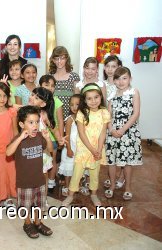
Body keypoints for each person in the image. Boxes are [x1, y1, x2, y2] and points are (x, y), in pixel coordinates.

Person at [6, 105, 53, 238]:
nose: (35, 126)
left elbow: (50, 149)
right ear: (22, 124)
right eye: (31, 122)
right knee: (25, 206)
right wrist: (20, 138)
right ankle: (27, 223)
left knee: (39, 204)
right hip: (24, 181)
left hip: (39, 179)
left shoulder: (39, 136)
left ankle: (38, 223)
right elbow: (8, 152)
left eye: (37, 122)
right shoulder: (18, 139)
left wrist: (48, 138)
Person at [62, 83, 110, 207]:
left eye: (96, 97)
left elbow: (103, 132)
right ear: (84, 100)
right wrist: (91, 149)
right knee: (77, 173)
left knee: (95, 173)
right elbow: (82, 133)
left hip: (98, 149)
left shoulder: (104, 112)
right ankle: (71, 195)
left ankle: (93, 193)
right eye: (89, 98)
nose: (93, 101)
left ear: (101, 97)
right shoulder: (82, 113)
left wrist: (98, 149)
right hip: (84, 149)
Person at [105, 67, 142, 201]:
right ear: (114, 81)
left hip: (128, 132)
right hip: (113, 132)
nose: (121, 82)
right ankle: (113, 186)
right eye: (118, 79)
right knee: (112, 161)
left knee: (127, 162)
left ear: (130, 79)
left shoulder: (134, 92)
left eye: (124, 78)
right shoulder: (112, 95)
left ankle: (128, 188)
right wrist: (110, 129)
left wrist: (122, 130)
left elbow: (136, 113)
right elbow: (108, 115)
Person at [38, 75, 64, 191]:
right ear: (40, 86)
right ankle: (40, 181)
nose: (50, 88)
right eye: (46, 85)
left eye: (53, 86)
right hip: (38, 137)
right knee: (40, 161)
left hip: (52, 137)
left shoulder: (57, 101)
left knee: (52, 160)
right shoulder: (37, 101)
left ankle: (52, 182)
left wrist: (60, 137)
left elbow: (60, 120)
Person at [102, 55, 124, 190]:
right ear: (104, 68)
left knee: (122, 151)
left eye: (113, 66)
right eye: (108, 66)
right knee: (110, 152)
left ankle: (121, 176)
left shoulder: (122, 84)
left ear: (119, 67)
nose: (110, 70)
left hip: (121, 123)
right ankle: (111, 177)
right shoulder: (102, 84)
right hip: (107, 122)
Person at [58, 94, 81, 196]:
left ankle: (75, 185)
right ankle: (67, 186)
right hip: (70, 147)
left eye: (77, 104)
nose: (74, 107)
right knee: (68, 169)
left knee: (77, 169)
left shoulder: (83, 118)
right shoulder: (69, 119)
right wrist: (68, 149)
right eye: (71, 105)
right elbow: (67, 136)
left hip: (79, 149)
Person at [48, 46, 80, 118]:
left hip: (70, 115)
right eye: (56, 59)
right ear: (53, 60)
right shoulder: (49, 76)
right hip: (53, 114)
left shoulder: (74, 77)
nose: (59, 61)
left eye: (62, 58)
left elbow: (77, 99)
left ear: (67, 59)